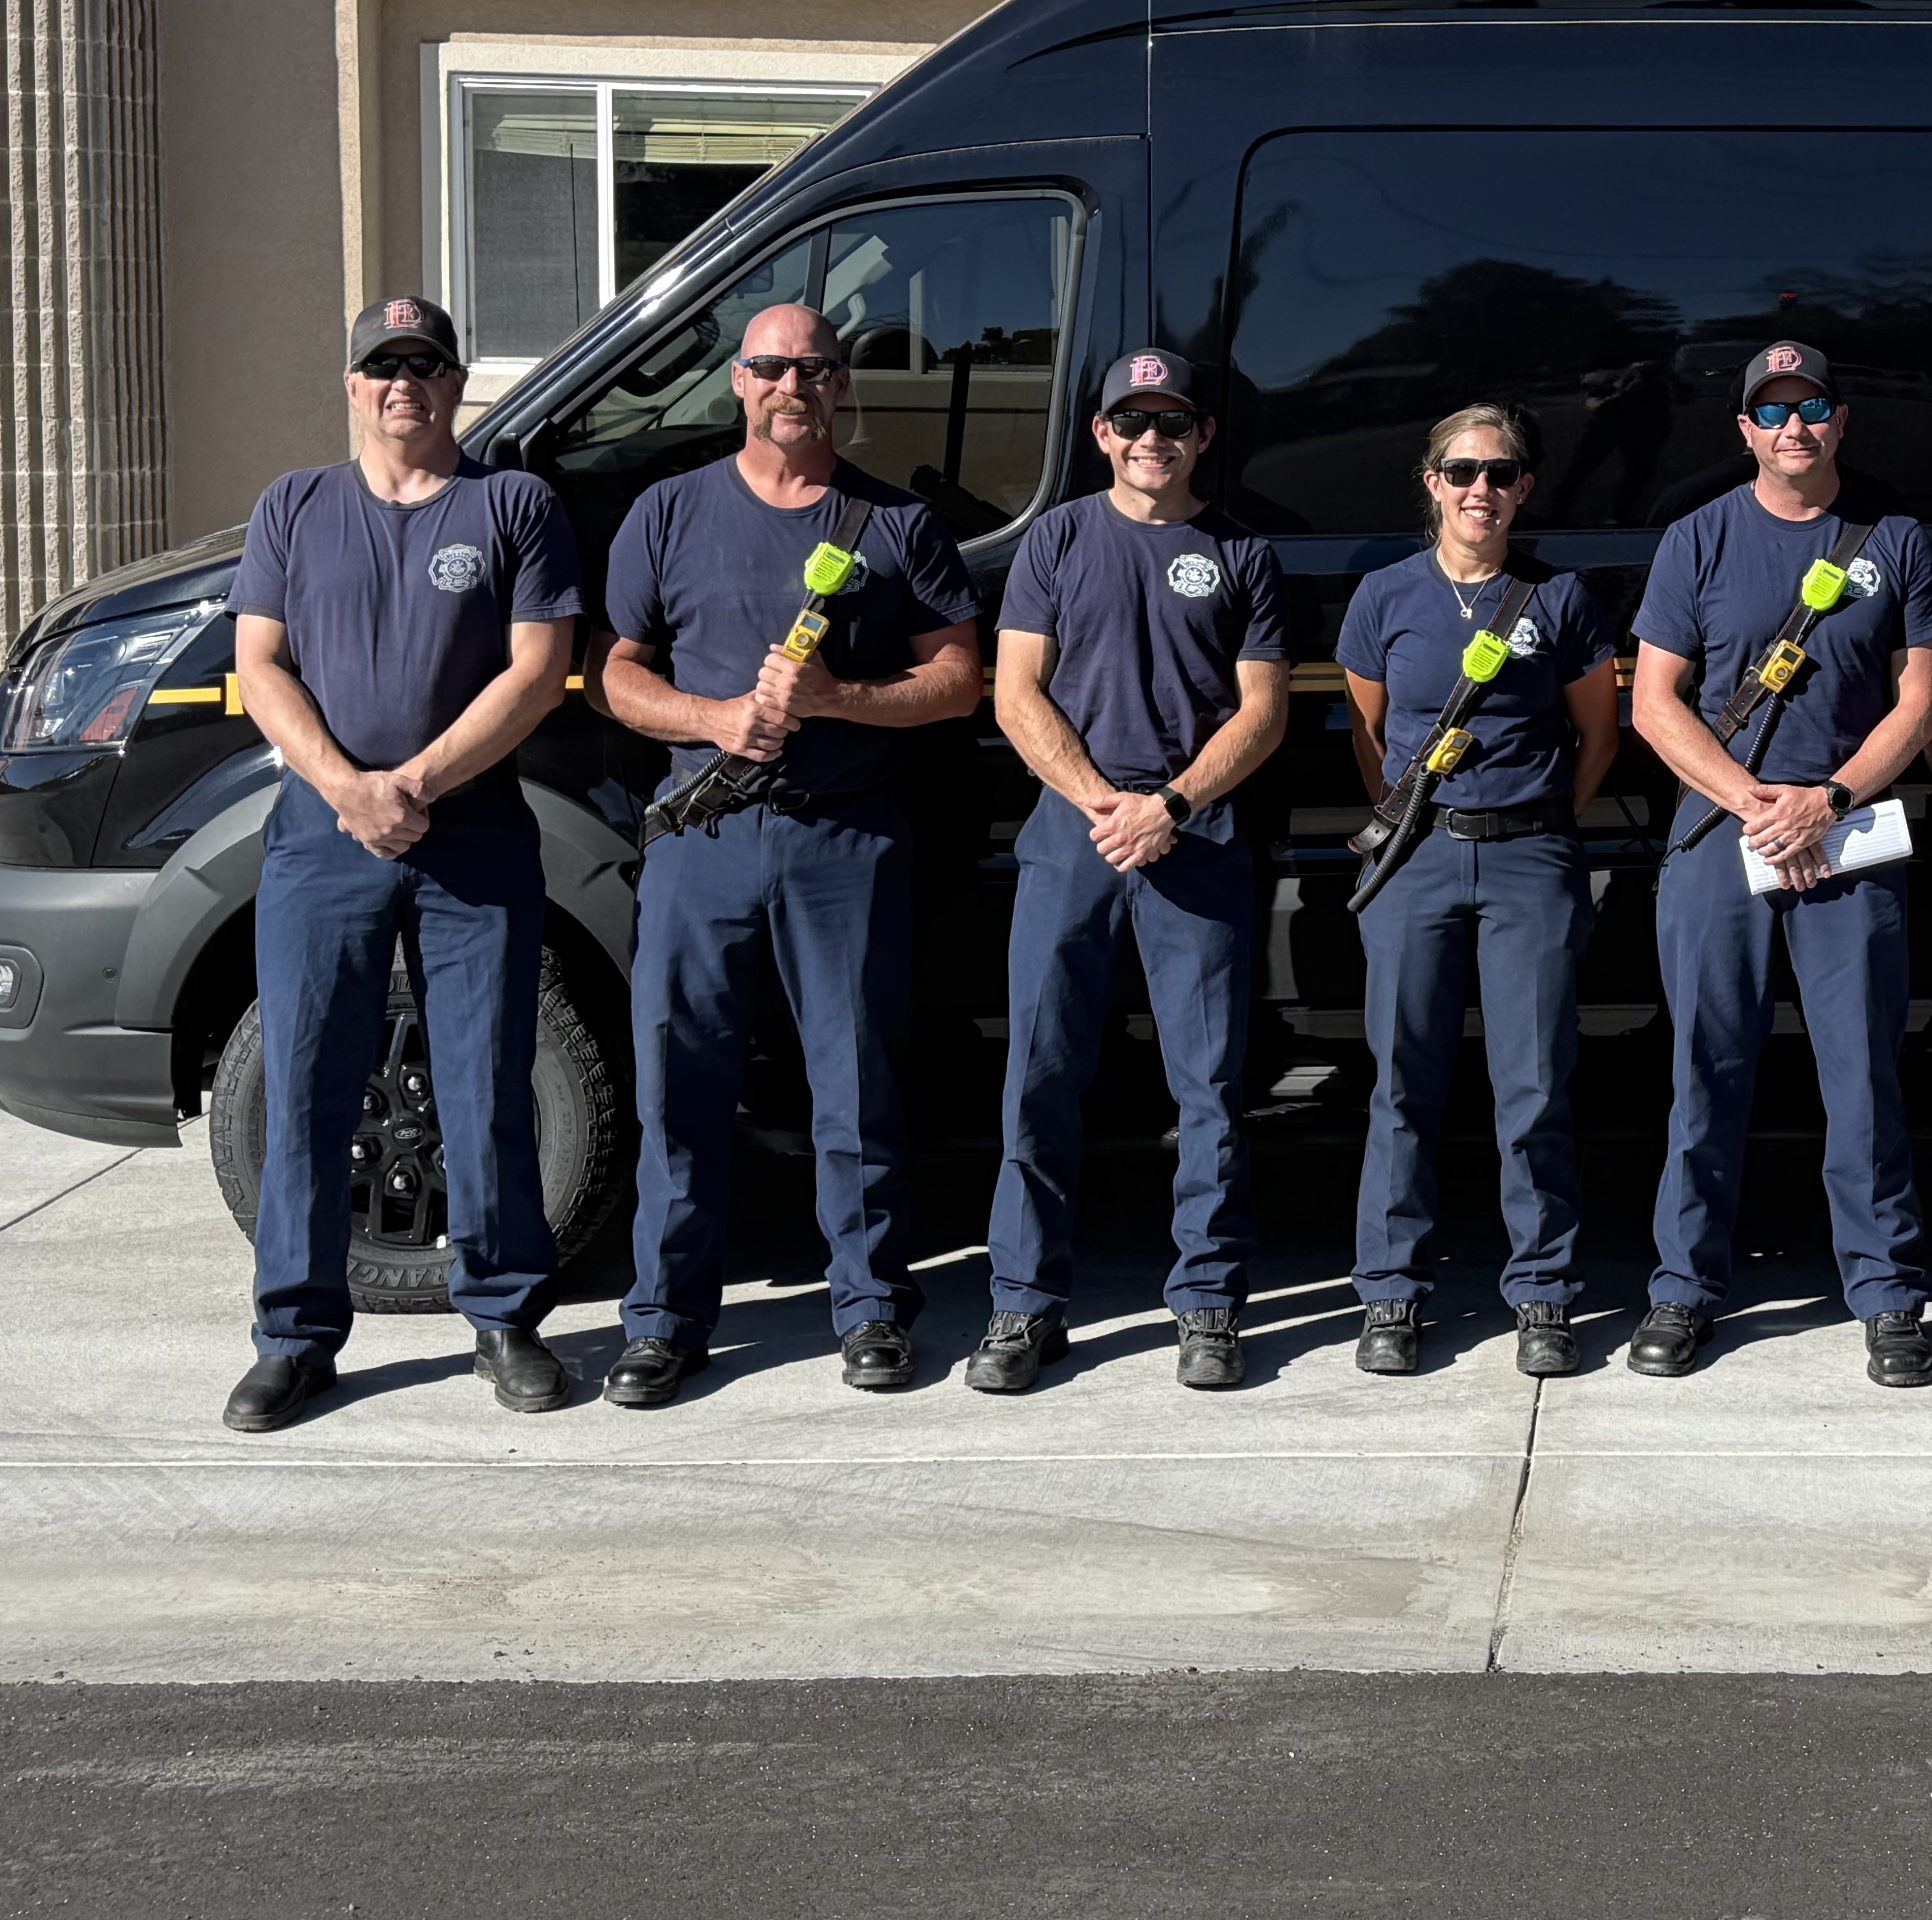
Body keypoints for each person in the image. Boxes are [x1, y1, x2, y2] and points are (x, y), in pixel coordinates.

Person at [595, 303, 982, 1406]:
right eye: (770, 367)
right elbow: (614, 674)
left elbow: (958, 679)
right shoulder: (668, 512)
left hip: (844, 842)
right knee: (680, 1087)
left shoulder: (897, 525)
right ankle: (666, 1321)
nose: (791, 386)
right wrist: (715, 719)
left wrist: (837, 699)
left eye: (813, 368)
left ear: (840, 385)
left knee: (856, 1087)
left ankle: (869, 1309)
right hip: (702, 835)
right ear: (738, 382)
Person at [219, 298, 582, 1432]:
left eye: (423, 364)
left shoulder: (512, 504)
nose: (402, 385)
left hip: (470, 835)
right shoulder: (294, 506)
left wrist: (413, 784)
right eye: (382, 366)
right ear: (353, 384)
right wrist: (346, 787)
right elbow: (259, 665)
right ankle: (296, 1335)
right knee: (312, 1081)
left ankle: (507, 1319)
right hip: (322, 837)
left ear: (456, 381)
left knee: (485, 1085)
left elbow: (537, 672)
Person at [1629, 338, 1932, 1388]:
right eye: (1772, 413)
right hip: (1724, 841)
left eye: (1811, 407)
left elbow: (1920, 703)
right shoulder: (1698, 540)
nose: (1793, 427)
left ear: (1840, 421)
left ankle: (1889, 1292)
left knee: (1861, 1076)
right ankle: (1684, 1289)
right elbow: (1654, 701)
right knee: (1705, 1075)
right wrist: (1756, 804)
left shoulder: (1895, 541)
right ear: (1745, 433)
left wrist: (1829, 799)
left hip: (1848, 838)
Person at [973, 349, 1290, 1395]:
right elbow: (1017, 693)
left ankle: (1207, 1304)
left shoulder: (1241, 551)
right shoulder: (1057, 539)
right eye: (1131, 422)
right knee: (1042, 1079)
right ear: (1102, 434)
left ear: (1202, 435)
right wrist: (1101, 801)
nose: (1151, 440)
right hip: (1074, 833)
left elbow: (1263, 710)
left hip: (1192, 836)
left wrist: (1171, 806)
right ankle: (1024, 1307)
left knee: (1208, 1088)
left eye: (1172, 422)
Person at [1337, 405, 1619, 1378]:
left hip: (1529, 860)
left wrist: (1541, 820)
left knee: (1534, 1082)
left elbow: (1600, 736)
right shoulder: (1383, 595)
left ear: (1525, 488)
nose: (1481, 492)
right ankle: (1391, 1293)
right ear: (1431, 482)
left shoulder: (1562, 599)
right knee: (1403, 1081)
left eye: (1500, 475)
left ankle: (1543, 1291)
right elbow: (1370, 737)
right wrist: (1412, 822)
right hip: (1414, 858)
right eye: (1462, 472)